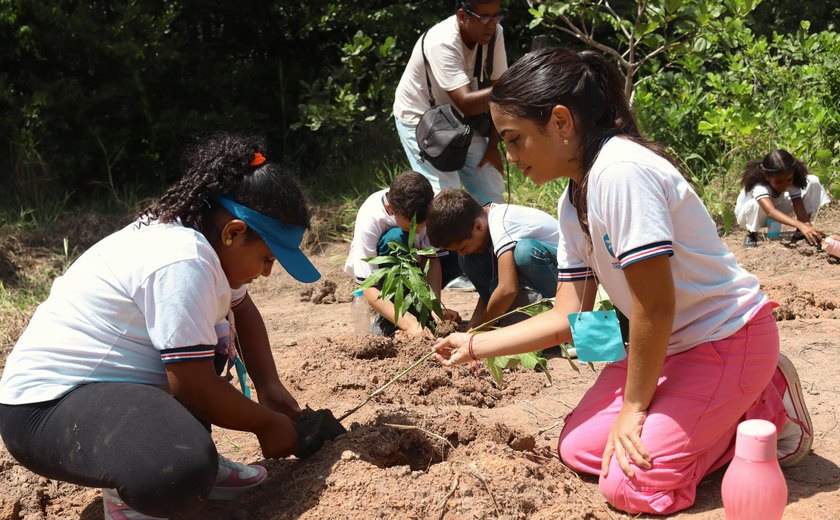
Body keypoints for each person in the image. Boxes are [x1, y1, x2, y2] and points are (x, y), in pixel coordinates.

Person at [432, 48, 814, 515]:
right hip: (666, 347)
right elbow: (566, 316)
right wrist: (471, 345)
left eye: (514, 140)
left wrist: (634, 408)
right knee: (576, 448)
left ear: (561, 122)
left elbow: (655, 308)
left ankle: (765, 406)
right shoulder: (572, 200)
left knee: (632, 487)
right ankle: (722, 410)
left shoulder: (621, 173)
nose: (509, 157)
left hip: (725, 338)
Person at [0, 134, 326, 519]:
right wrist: (266, 424)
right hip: (46, 409)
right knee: (176, 471)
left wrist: (269, 387)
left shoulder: (204, 245)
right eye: (267, 258)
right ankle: (141, 486)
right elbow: (191, 385)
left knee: (208, 343)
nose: (268, 272)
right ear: (234, 233)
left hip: (104, 394)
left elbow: (246, 312)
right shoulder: (182, 261)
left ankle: (179, 453)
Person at [393, 0, 508, 206]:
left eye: (496, 16)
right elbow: (468, 103)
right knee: (444, 194)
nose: (491, 24)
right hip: (421, 117)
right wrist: (515, 83)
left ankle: (493, 235)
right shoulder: (442, 41)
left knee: (490, 184)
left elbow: (500, 100)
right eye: (484, 17)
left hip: (461, 119)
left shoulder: (494, 34)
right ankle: (438, 237)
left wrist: (492, 146)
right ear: (463, 16)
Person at [343, 171, 460, 337]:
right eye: (410, 228)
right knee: (396, 237)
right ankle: (394, 314)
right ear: (390, 209)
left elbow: (432, 260)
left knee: (455, 245)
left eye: (423, 226)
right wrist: (410, 325)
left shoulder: (428, 204)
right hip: (384, 280)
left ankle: (420, 312)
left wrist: (435, 307)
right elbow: (368, 286)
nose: (419, 232)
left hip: (419, 270)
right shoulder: (370, 219)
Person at [426, 188, 559, 330]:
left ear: (478, 226)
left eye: (462, 247)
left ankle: (561, 316)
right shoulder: (484, 227)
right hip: (533, 278)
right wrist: (472, 327)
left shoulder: (501, 222)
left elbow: (507, 289)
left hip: (565, 275)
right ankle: (519, 324)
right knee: (468, 260)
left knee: (524, 252)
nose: (462, 253)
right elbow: (488, 298)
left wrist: (479, 330)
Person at [735, 149, 830, 247]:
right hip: (749, 218)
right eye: (779, 182)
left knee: (812, 181)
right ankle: (752, 234)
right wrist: (800, 225)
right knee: (756, 204)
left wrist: (807, 226)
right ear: (766, 176)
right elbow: (771, 212)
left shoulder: (790, 181)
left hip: (776, 212)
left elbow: (799, 206)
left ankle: (800, 233)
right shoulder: (759, 186)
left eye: (789, 179)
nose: (785, 184)